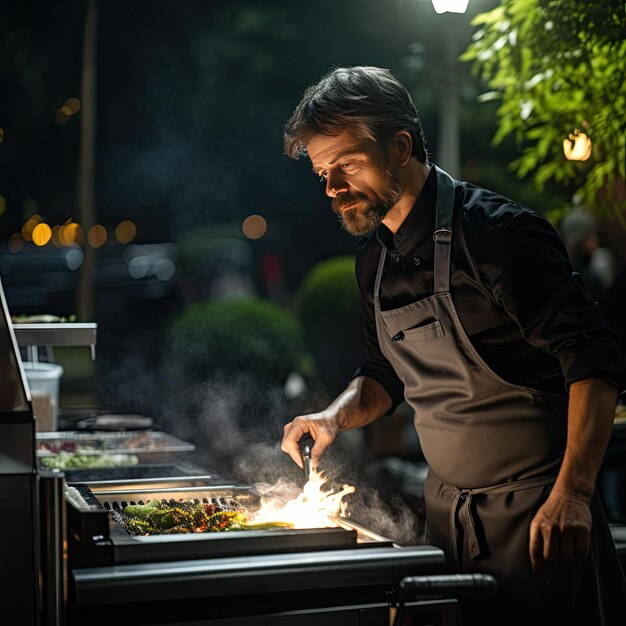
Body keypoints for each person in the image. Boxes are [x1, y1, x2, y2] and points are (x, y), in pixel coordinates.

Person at [280, 66, 626, 626]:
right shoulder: (374, 263)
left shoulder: (499, 235)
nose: (332, 187)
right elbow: (383, 375)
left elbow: (595, 359)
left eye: (345, 164)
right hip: (446, 521)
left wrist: (574, 495)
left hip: (541, 518)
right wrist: (333, 418)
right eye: (323, 172)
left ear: (400, 146)